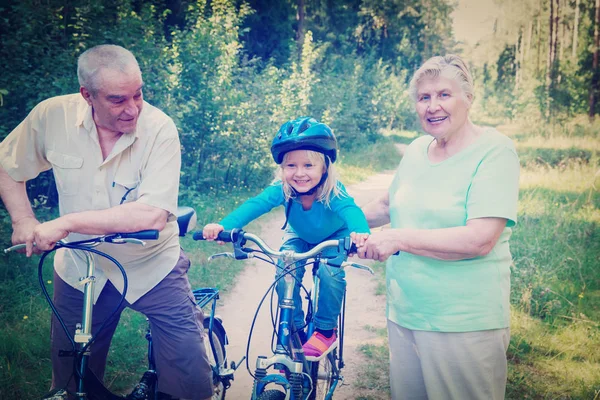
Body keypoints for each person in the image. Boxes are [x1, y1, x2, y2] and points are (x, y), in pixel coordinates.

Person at [0, 44, 213, 400]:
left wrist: (66, 222)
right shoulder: (51, 116)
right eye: (118, 100)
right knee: (70, 383)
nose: (133, 109)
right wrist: (23, 218)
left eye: (138, 94)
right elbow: (7, 165)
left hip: (151, 264)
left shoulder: (159, 128)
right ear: (87, 95)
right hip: (79, 267)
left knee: (189, 375)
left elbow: (152, 214)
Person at [352, 54, 520, 400]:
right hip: (406, 313)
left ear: (468, 98)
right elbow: (387, 205)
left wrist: (397, 239)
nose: (433, 106)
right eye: (423, 97)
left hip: (463, 323)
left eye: (444, 94)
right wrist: (333, 221)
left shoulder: (495, 152)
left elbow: (479, 239)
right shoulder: (416, 149)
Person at [202, 116, 370, 360]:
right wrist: (223, 226)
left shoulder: (333, 190)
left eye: (308, 166)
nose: (299, 173)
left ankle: (325, 331)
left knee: (330, 273)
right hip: (299, 235)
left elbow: (351, 211)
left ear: (325, 167)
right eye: (291, 166)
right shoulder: (282, 189)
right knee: (285, 270)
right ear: (282, 168)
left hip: (335, 236)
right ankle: (295, 326)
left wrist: (360, 233)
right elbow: (255, 204)